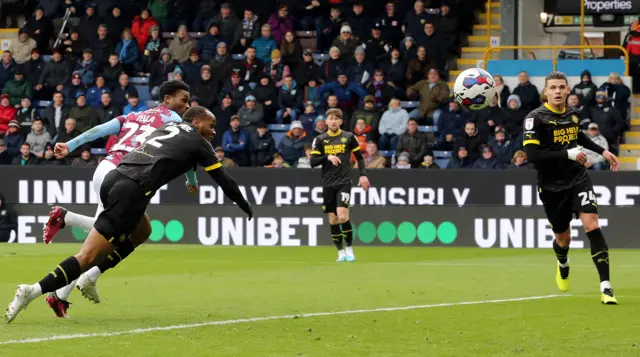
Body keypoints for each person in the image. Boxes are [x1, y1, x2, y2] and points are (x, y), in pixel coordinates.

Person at [4, 106, 253, 323]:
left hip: (114, 176)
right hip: (132, 191)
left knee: (142, 230)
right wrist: (245, 205)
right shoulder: (199, 143)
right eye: (211, 125)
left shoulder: (167, 129)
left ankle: (84, 274)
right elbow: (224, 179)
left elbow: (175, 156)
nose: (214, 131)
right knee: (88, 255)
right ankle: (33, 290)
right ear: (196, 122)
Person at [40, 81, 192, 318]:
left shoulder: (133, 115)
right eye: (183, 99)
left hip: (104, 170)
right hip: (124, 177)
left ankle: (61, 294)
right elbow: (188, 152)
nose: (187, 105)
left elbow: (98, 130)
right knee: (109, 237)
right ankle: (66, 220)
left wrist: (69, 145)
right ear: (168, 98)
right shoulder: (174, 121)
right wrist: (191, 181)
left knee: (108, 238)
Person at [522, 71, 620, 304]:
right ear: (545, 92)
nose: (557, 91)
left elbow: (578, 136)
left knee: (591, 224)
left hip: (578, 178)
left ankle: (606, 287)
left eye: (561, 87)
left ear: (568, 91)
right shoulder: (535, 119)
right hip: (551, 186)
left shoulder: (573, 115)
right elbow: (532, 155)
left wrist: (602, 151)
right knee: (563, 238)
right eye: (553, 88)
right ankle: (563, 262)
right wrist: (568, 153)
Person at [310, 108, 370, 262]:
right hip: (328, 183)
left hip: (344, 181)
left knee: (343, 216)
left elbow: (360, 158)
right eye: (331, 118)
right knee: (333, 219)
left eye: (337, 118)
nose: (334, 121)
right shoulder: (320, 139)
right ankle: (340, 252)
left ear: (341, 121)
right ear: (326, 121)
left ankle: (349, 249)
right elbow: (312, 162)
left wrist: (363, 175)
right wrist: (327, 157)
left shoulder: (349, 137)